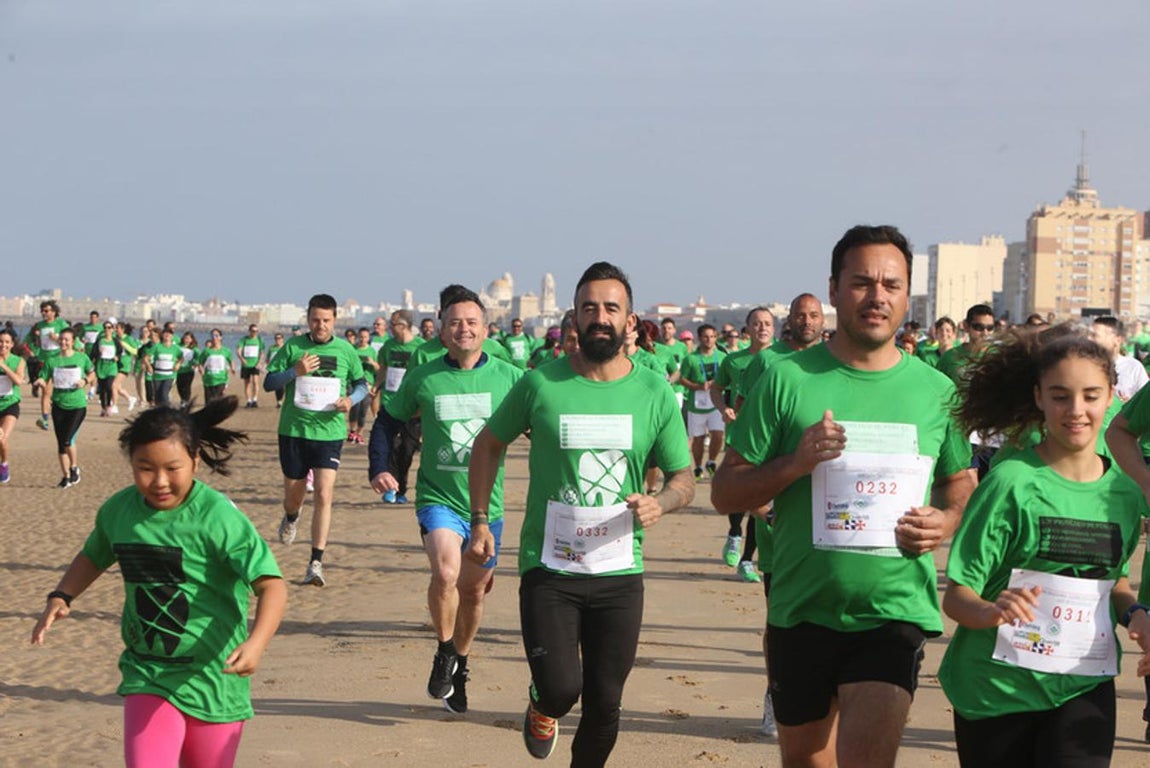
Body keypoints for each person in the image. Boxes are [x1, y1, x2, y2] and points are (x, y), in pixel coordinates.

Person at [712, 225, 974, 767]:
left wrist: (946, 522)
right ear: (833, 290)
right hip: (802, 609)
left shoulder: (936, 392)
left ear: (906, 296)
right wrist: (795, 462)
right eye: (861, 282)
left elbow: (960, 481)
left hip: (892, 610)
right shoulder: (786, 380)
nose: (877, 296)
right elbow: (725, 490)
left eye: (891, 284)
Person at [469, 262, 696, 766]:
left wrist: (663, 501)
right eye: (589, 307)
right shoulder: (540, 384)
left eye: (611, 308)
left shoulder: (655, 392)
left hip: (620, 570)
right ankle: (541, 703)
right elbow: (487, 445)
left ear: (630, 321)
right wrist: (480, 519)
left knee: (606, 704)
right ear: (573, 316)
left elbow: (685, 479)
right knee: (562, 688)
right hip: (550, 566)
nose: (600, 317)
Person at [31, 397, 287, 768]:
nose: (160, 481)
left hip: (214, 676)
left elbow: (271, 585)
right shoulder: (119, 511)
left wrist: (256, 644)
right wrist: (61, 594)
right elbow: (95, 554)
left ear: (195, 461)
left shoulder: (218, 517)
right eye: (145, 468)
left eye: (173, 468)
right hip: (148, 671)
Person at [942, 328, 1150, 766]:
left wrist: (1137, 615)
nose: (1076, 411)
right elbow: (959, 595)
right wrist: (991, 611)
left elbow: (1113, 584)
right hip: (997, 691)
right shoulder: (1010, 482)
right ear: (1038, 397)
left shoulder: (1125, 494)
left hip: (1081, 686)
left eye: (1090, 396)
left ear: (1113, 395)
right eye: (1060, 396)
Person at [369, 285, 522, 714]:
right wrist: (381, 466)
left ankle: (461, 661)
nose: (463, 329)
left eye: (472, 322)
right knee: (446, 571)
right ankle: (443, 649)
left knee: (473, 595)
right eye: (454, 322)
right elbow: (387, 422)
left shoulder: (509, 378)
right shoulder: (425, 376)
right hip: (437, 496)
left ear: (486, 329)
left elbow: (545, 422)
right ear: (440, 329)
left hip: (486, 506)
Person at [263, 294, 369, 586]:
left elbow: (362, 384)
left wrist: (352, 399)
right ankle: (292, 516)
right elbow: (269, 382)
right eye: (315, 320)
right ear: (307, 319)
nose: (320, 325)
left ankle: (316, 562)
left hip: (330, 433)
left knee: (324, 493)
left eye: (326, 320)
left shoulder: (345, 350)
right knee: (293, 496)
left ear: (335, 320)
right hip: (294, 432)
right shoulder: (293, 347)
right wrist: (293, 372)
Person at [710, 307, 775, 584]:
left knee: (760, 499)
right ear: (747, 329)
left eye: (767, 323)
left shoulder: (783, 359)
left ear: (774, 328)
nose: (762, 328)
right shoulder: (734, 360)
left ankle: (748, 559)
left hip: (771, 438)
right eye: (757, 323)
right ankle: (735, 533)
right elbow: (716, 388)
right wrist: (724, 408)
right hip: (739, 435)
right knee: (741, 491)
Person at [940, 303, 1001, 478]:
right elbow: (939, 393)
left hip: (994, 435)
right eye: (978, 327)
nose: (985, 333)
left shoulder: (1000, 357)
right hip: (963, 433)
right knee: (968, 484)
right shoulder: (951, 358)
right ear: (966, 326)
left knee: (990, 484)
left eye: (990, 328)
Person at [373, 309, 424, 503]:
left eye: (392, 325)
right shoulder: (388, 346)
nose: (389, 328)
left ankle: (401, 490)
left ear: (403, 326)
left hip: (413, 408)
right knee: (392, 446)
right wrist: (376, 386)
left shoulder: (421, 348)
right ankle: (390, 489)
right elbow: (383, 369)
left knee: (407, 450)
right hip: (391, 403)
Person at [39, 327, 96, 488]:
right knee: (61, 442)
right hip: (58, 405)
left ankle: (74, 467)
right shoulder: (52, 360)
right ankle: (65, 477)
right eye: (61, 339)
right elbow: (43, 377)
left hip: (77, 406)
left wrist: (85, 381)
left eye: (67, 340)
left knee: (67, 439)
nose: (63, 342)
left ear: (72, 341)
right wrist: (40, 382)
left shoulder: (81, 358)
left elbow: (92, 374)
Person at [680, 325, 727, 482]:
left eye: (713, 337)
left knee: (718, 434)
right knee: (698, 438)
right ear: (699, 338)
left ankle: (711, 462)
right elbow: (682, 379)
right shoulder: (691, 359)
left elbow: (728, 379)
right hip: (697, 404)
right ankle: (698, 466)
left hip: (716, 403)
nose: (710, 340)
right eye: (706, 337)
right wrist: (698, 386)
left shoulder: (722, 357)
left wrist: (718, 384)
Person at [27, 300, 70, 421]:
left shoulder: (61, 324)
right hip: (44, 362)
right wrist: (32, 350)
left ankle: (63, 412)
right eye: (42, 311)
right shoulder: (39, 325)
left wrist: (57, 338)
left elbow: (71, 340)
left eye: (46, 311)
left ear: (54, 312)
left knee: (61, 391)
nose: (43, 313)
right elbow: (28, 340)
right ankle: (45, 418)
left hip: (60, 361)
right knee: (46, 391)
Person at [1091, 315, 1148, 402]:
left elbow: (1145, 401)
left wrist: (1130, 404)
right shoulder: (1084, 366)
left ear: (1118, 340)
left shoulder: (1134, 367)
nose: (1090, 339)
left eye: (1095, 336)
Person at [0, 328, 27, 484]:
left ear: (12, 344)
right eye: (1, 341)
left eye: (6, 342)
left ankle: (4, 464)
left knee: (2, 438)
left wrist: (3, 366)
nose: (3, 345)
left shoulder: (18, 361)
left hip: (10, 404)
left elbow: (18, 381)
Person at [92, 320, 124, 417]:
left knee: (109, 386)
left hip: (111, 367)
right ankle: (103, 407)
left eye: (109, 327)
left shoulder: (115, 341)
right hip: (101, 366)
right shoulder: (100, 340)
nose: (107, 329)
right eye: (105, 327)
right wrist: (98, 355)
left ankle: (109, 406)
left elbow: (120, 351)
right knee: (102, 389)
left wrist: (117, 357)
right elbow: (93, 353)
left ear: (113, 329)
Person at [146, 327, 183, 409]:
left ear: (172, 336)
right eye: (165, 333)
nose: (167, 335)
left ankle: (167, 412)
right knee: (157, 395)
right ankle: (158, 412)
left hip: (169, 375)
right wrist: (149, 366)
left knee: (164, 393)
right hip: (157, 375)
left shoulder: (175, 348)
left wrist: (178, 364)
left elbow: (181, 357)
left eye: (169, 334)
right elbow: (146, 358)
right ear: (162, 335)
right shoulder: (157, 347)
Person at [198, 329, 236, 403]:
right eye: (212, 335)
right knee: (209, 403)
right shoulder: (206, 351)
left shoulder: (226, 351)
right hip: (208, 380)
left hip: (221, 379)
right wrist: (201, 370)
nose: (214, 337)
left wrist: (233, 368)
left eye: (216, 335)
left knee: (218, 401)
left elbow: (231, 360)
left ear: (220, 337)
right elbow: (200, 362)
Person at [237, 325, 265, 408]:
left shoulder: (259, 340)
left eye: (256, 331)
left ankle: (255, 399)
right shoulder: (244, 340)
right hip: (246, 365)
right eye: (253, 331)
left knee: (255, 382)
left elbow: (262, 352)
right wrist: (242, 359)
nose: (254, 333)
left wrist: (259, 362)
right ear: (249, 331)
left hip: (255, 364)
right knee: (247, 383)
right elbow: (238, 351)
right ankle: (248, 400)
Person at [267, 332, 288, 408]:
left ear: (282, 339)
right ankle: (279, 402)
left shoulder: (285, 347)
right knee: (278, 387)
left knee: (285, 386)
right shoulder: (272, 348)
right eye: (276, 338)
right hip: (275, 370)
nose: (278, 340)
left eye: (279, 338)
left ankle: (285, 401)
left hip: (284, 369)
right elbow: (268, 359)